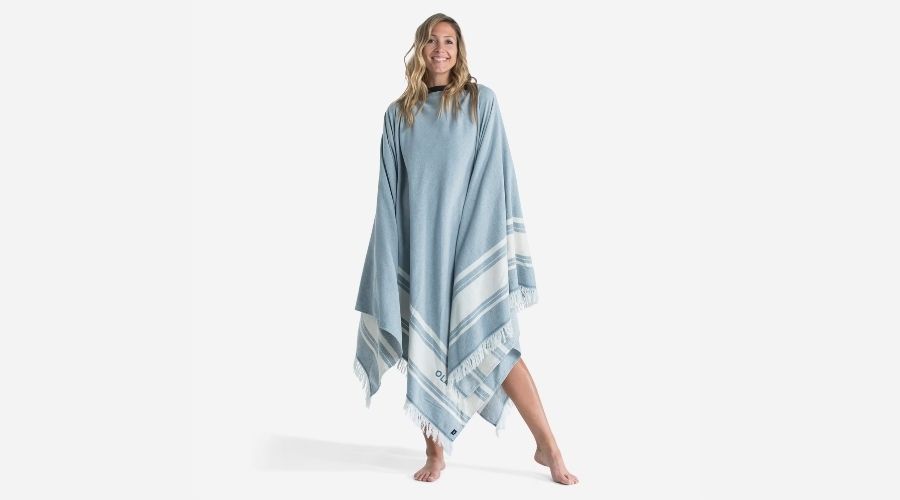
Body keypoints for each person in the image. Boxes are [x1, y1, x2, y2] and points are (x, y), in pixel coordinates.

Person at [353, 13, 578, 485]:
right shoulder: (399, 115)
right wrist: (393, 258)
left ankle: (549, 447)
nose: (440, 49)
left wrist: (472, 247)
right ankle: (435, 453)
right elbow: (388, 192)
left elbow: (496, 180)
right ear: (420, 49)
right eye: (432, 41)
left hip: (470, 246)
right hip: (420, 251)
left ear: (459, 50)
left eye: (449, 41)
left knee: (498, 347)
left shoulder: (481, 103)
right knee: (423, 344)